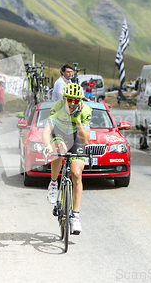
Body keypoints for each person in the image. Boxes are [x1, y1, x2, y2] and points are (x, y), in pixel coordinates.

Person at [42, 83, 92, 234]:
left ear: (80, 101)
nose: (72, 103)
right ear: (64, 98)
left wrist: (77, 120)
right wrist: (47, 147)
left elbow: (85, 141)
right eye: (69, 99)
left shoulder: (86, 111)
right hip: (60, 135)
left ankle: (75, 217)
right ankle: (53, 183)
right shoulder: (57, 107)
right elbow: (47, 131)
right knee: (59, 150)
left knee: (77, 174)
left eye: (76, 100)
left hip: (77, 137)